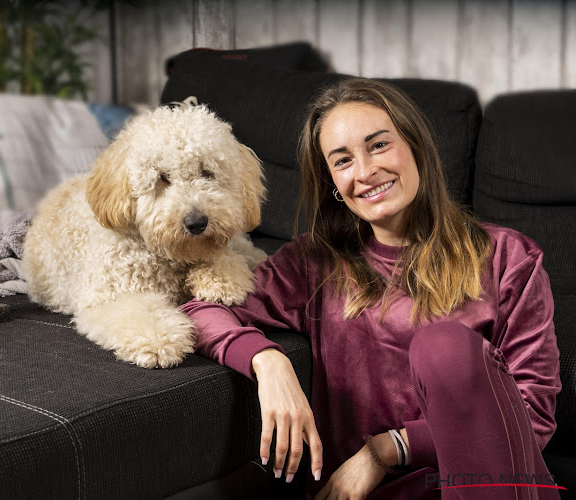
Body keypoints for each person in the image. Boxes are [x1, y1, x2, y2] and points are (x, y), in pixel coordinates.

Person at [181, 78, 561, 499]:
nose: (364, 172)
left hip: (489, 486)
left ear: (415, 145)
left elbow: (533, 418)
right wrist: (267, 361)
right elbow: (200, 311)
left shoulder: (508, 258)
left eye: (379, 145)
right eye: (342, 161)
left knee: (445, 348)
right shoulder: (314, 262)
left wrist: (389, 449)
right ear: (334, 186)